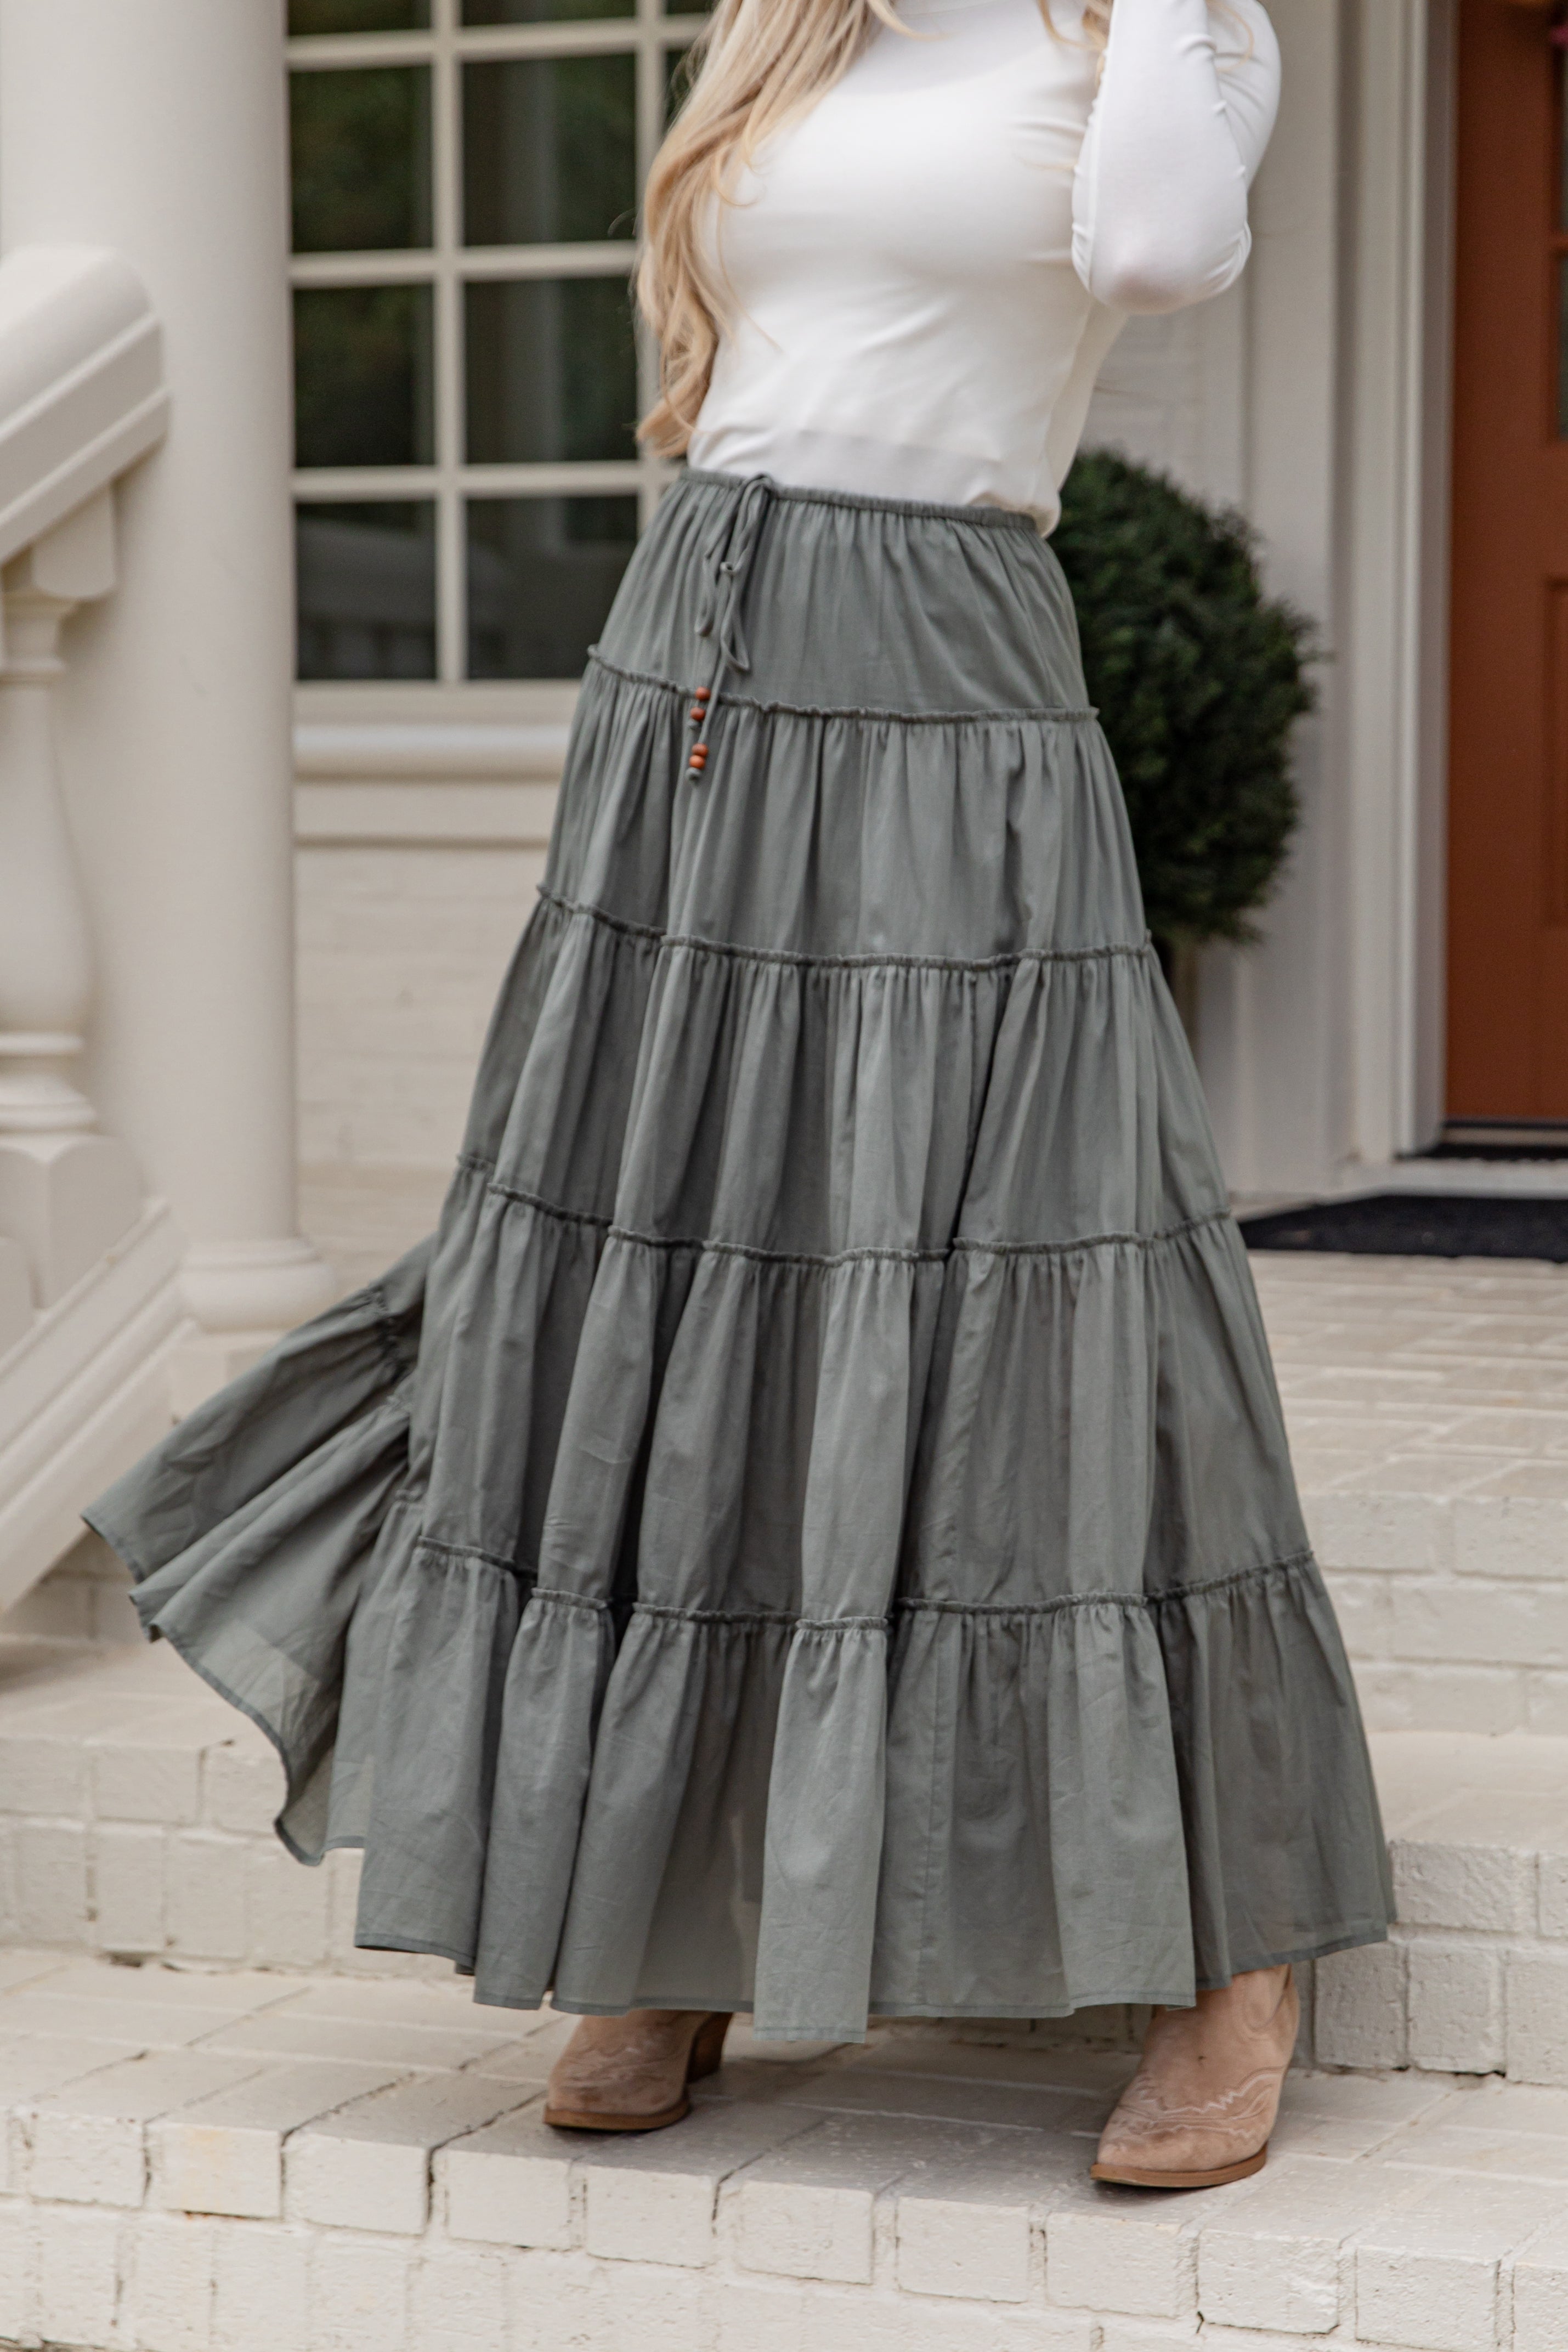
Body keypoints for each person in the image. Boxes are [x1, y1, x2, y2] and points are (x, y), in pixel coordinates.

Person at [87, 0, 1391, 2193]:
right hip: (693, 660)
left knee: (1040, 1276)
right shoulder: (809, 29)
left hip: (948, 675)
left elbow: (1160, 256)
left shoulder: (1168, 43)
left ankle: (1227, 1951)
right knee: (678, 1284)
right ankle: (669, 1906)